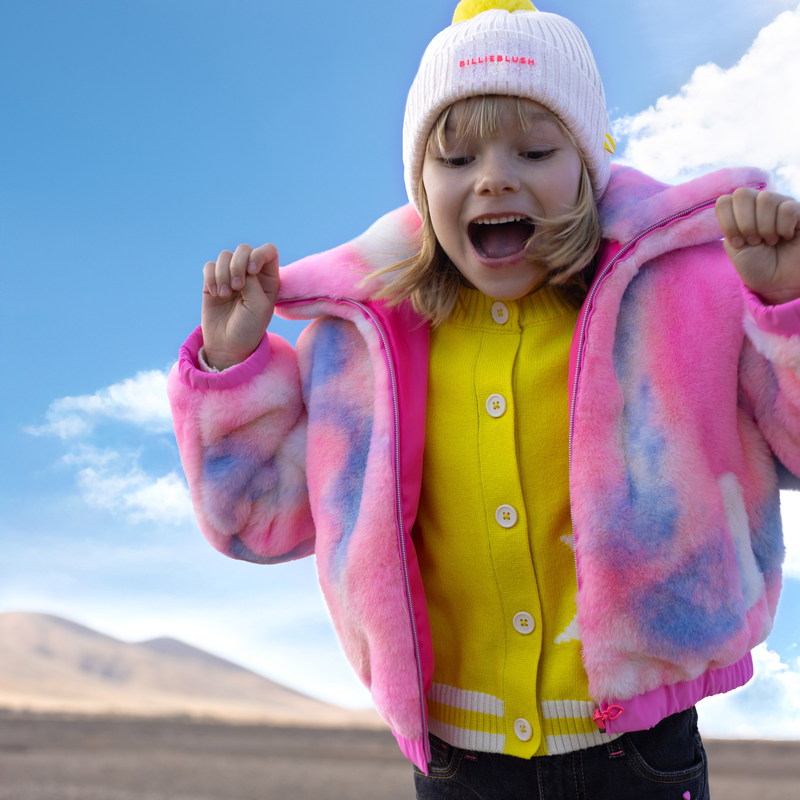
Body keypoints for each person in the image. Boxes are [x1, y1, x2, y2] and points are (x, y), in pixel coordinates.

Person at [167, 1, 800, 797]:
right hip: (460, 763)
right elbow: (257, 521)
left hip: (637, 756)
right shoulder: (357, 346)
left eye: (535, 149)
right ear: (420, 187)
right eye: (457, 159)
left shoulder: (684, 300)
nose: (494, 176)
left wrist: (785, 309)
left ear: (587, 167)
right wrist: (231, 364)